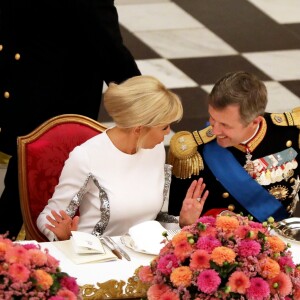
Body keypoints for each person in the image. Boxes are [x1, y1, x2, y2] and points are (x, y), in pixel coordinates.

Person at [0, 0, 142, 239]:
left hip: (24, 98)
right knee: (37, 191)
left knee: (19, 185)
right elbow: (110, 49)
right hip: (53, 111)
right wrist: (145, 103)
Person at [36, 75, 209, 241]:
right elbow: (47, 217)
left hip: (144, 259)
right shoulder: (86, 157)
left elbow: (154, 221)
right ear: (139, 129)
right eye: (164, 127)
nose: (168, 133)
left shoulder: (155, 150)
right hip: (95, 259)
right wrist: (62, 236)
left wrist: (183, 223)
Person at [168, 71, 300, 224]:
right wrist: (187, 222)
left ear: (255, 122)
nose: (215, 130)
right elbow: (175, 218)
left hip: (281, 237)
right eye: (212, 118)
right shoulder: (194, 154)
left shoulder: (291, 135)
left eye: (225, 125)